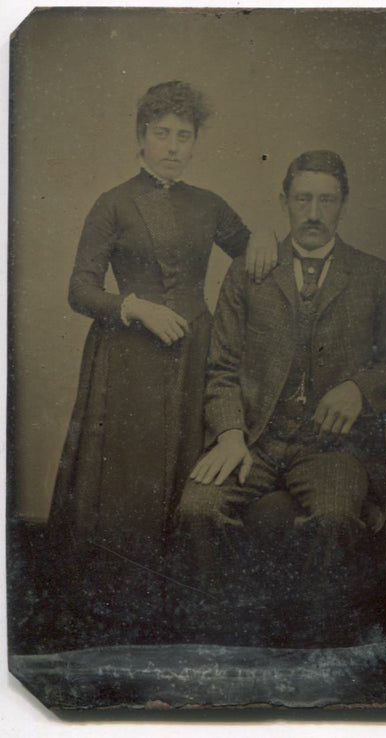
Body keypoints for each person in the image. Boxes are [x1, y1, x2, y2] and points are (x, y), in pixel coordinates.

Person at [46, 81, 277, 645]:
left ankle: (174, 611)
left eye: (183, 135)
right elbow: (79, 289)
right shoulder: (114, 202)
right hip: (127, 362)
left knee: (181, 475)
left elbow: (251, 249)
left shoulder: (208, 204)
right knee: (125, 481)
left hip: (193, 360)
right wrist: (135, 307)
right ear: (140, 139)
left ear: (194, 141)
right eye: (160, 134)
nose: (172, 146)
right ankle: (113, 609)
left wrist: (268, 233)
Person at [174, 150, 386, 647]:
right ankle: (222, 640)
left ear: (343, 205)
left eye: (326, 200)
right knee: (197, 509)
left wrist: (361, 388)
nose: (313, 212)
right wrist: (228, 433)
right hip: (257, 441)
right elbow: (220, 366)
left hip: (332, 446)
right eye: (303, 198)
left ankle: (315, 646)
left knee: (333, 518)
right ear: (284, 201)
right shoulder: (251, 272)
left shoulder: (376, 276)